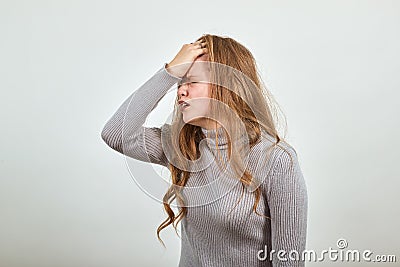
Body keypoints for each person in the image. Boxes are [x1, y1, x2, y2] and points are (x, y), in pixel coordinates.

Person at [101, 34, 308, 267]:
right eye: (180, 82)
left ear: (228, 86)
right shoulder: (181, 147)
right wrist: (169, 73)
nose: (181, 91)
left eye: (192, 81)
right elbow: (116, 133)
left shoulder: (277, 159)